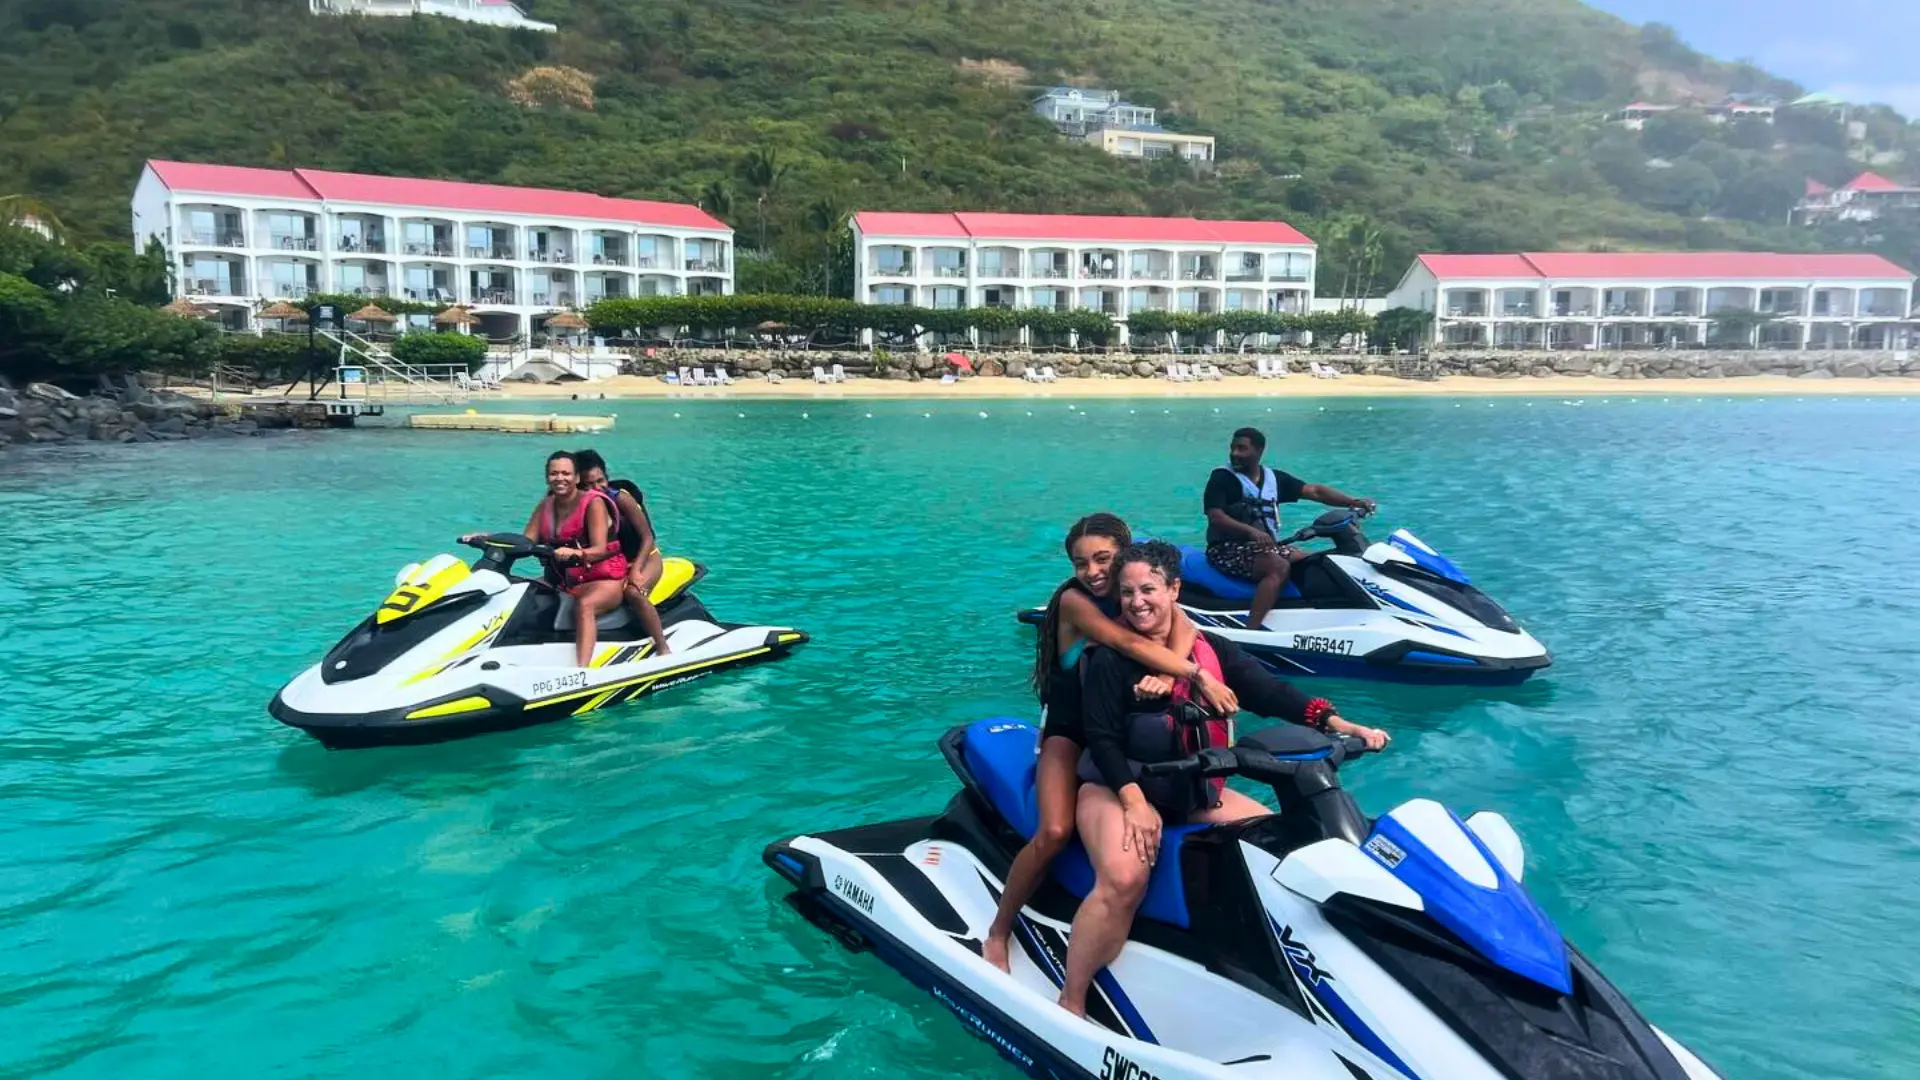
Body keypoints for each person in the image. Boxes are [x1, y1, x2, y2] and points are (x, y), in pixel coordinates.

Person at [1058, 540, 1387, 1018]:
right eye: (1127, 593)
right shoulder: (1110, 659)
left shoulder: (1210, 650)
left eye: (1148, 589)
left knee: (1285, 845)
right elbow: (1102, 740)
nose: (1137, 602)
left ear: (1173, 589)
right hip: (1114, 788)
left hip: (1189, 789)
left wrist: (1340, 725)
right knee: (1124, 878)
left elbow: (1269, 692)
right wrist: (1132, 802)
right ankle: (1071, 997)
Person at [982, 514, 1241, 975]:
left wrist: (1166, 674)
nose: (1093, 571)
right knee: (1055, 831)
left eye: (1103, 559)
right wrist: (1194, 674)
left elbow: (1185, 626)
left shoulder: (1133, 593)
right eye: (1081, 563)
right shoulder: (1076, 602)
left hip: (1122, 732)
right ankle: (1000, 930)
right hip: (1070, 729)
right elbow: (1125, 641)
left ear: (1124, 554)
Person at [1203, 427, 1377, 631]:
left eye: (1242, 449)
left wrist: (1353, 501)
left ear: (1259, 451)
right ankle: (1251, 630)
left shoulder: (1273, 480)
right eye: (1233, 448)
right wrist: (1252, 532)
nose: (1234, 454)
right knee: (1279, 567)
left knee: (1320, 561)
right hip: (1227, 550)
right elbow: (1216, 517)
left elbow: (1316, 492)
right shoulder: (1222, 479)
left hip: (1265, 549)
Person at [465, 451, 627, 668]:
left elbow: (600, 548)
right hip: (565, 579)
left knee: (584, 606)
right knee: (522, 593)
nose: (560, 478)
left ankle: (583, 669)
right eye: (554, 473)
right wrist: (488, 538)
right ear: (547, 477)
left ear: (577, 478)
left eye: (566, 473)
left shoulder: (593, 503)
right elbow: (525, 541)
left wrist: (577, 553)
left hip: (601, 578)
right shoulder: (546, 505)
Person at [574, 448, 671, 657]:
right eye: (588, 485)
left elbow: (647, 537)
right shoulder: (577, 506)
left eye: (600, 481)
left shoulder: (620, 499)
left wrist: (636, 570)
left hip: (645, 557)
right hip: (612, 564)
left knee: (633, 593)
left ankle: (663, 647)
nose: (596, 488)